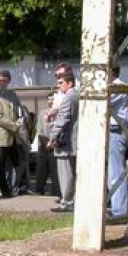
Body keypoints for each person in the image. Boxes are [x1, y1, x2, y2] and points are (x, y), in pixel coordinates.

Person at [0, 70, 23, 197]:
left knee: (17, 163)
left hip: (13, 136)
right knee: (0, 166)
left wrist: (20, 121)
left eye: (5, 80)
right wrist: (14, 126)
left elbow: (20, 111)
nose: (2, 83)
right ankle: (5, 190)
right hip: (0, 136)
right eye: (0, 80)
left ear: (9, 82)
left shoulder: (13, 95)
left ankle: (16, 186)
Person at [49, 73, 79, 212]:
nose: (58, 85)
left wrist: (53, 137)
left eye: (61, 82)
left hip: (66, 142)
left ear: (70, 83)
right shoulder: (79, 95)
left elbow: (63, 119)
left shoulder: (68, 97)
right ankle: (73, 200)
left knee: (65, 174)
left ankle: (66, 202)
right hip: (76, 141)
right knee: (74, 174)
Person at [108, 65, 128, 217]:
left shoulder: (117, 88)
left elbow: (101, 100)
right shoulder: (116, 87)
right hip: (114, 131)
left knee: (116, 173)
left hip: (116, 131)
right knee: (113, 173)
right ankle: (117, 207)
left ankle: (120, 211)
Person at [34, 94, 61, 197]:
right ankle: (39, 190)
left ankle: (56, 191)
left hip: (55, 145)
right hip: (43, 144)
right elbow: (39, 129)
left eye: (53, 99)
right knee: (41, 169)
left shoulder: (60, 113)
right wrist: (46, 143)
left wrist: (53, 142)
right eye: (49, 99)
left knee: (55, 170)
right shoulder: (42, 113)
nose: (51, 101)